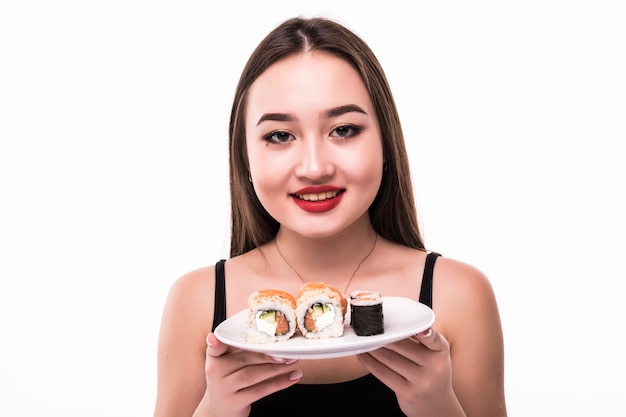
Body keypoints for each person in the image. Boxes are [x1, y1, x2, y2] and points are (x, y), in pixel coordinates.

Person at [154, 16, 507, 417]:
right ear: (244, 160)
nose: (314, 167)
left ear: (386, 143)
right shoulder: (198, 300)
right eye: (279, 136)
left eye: (343, 129)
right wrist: (215, 410)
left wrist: (438, 407)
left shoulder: (458, 295)